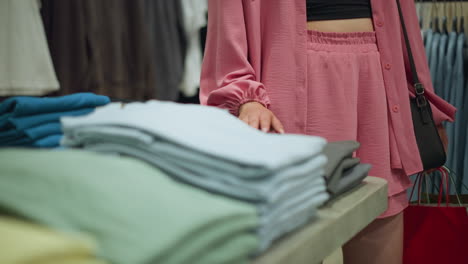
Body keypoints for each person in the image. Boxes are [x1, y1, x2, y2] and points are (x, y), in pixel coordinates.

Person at [200, 1, 456, 263]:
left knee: (381, 219)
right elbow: (227, 22)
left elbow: (405, 21)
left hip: (378, 87)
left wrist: (427, 104)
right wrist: (243, 94)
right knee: (293, 236)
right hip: (287, 88)